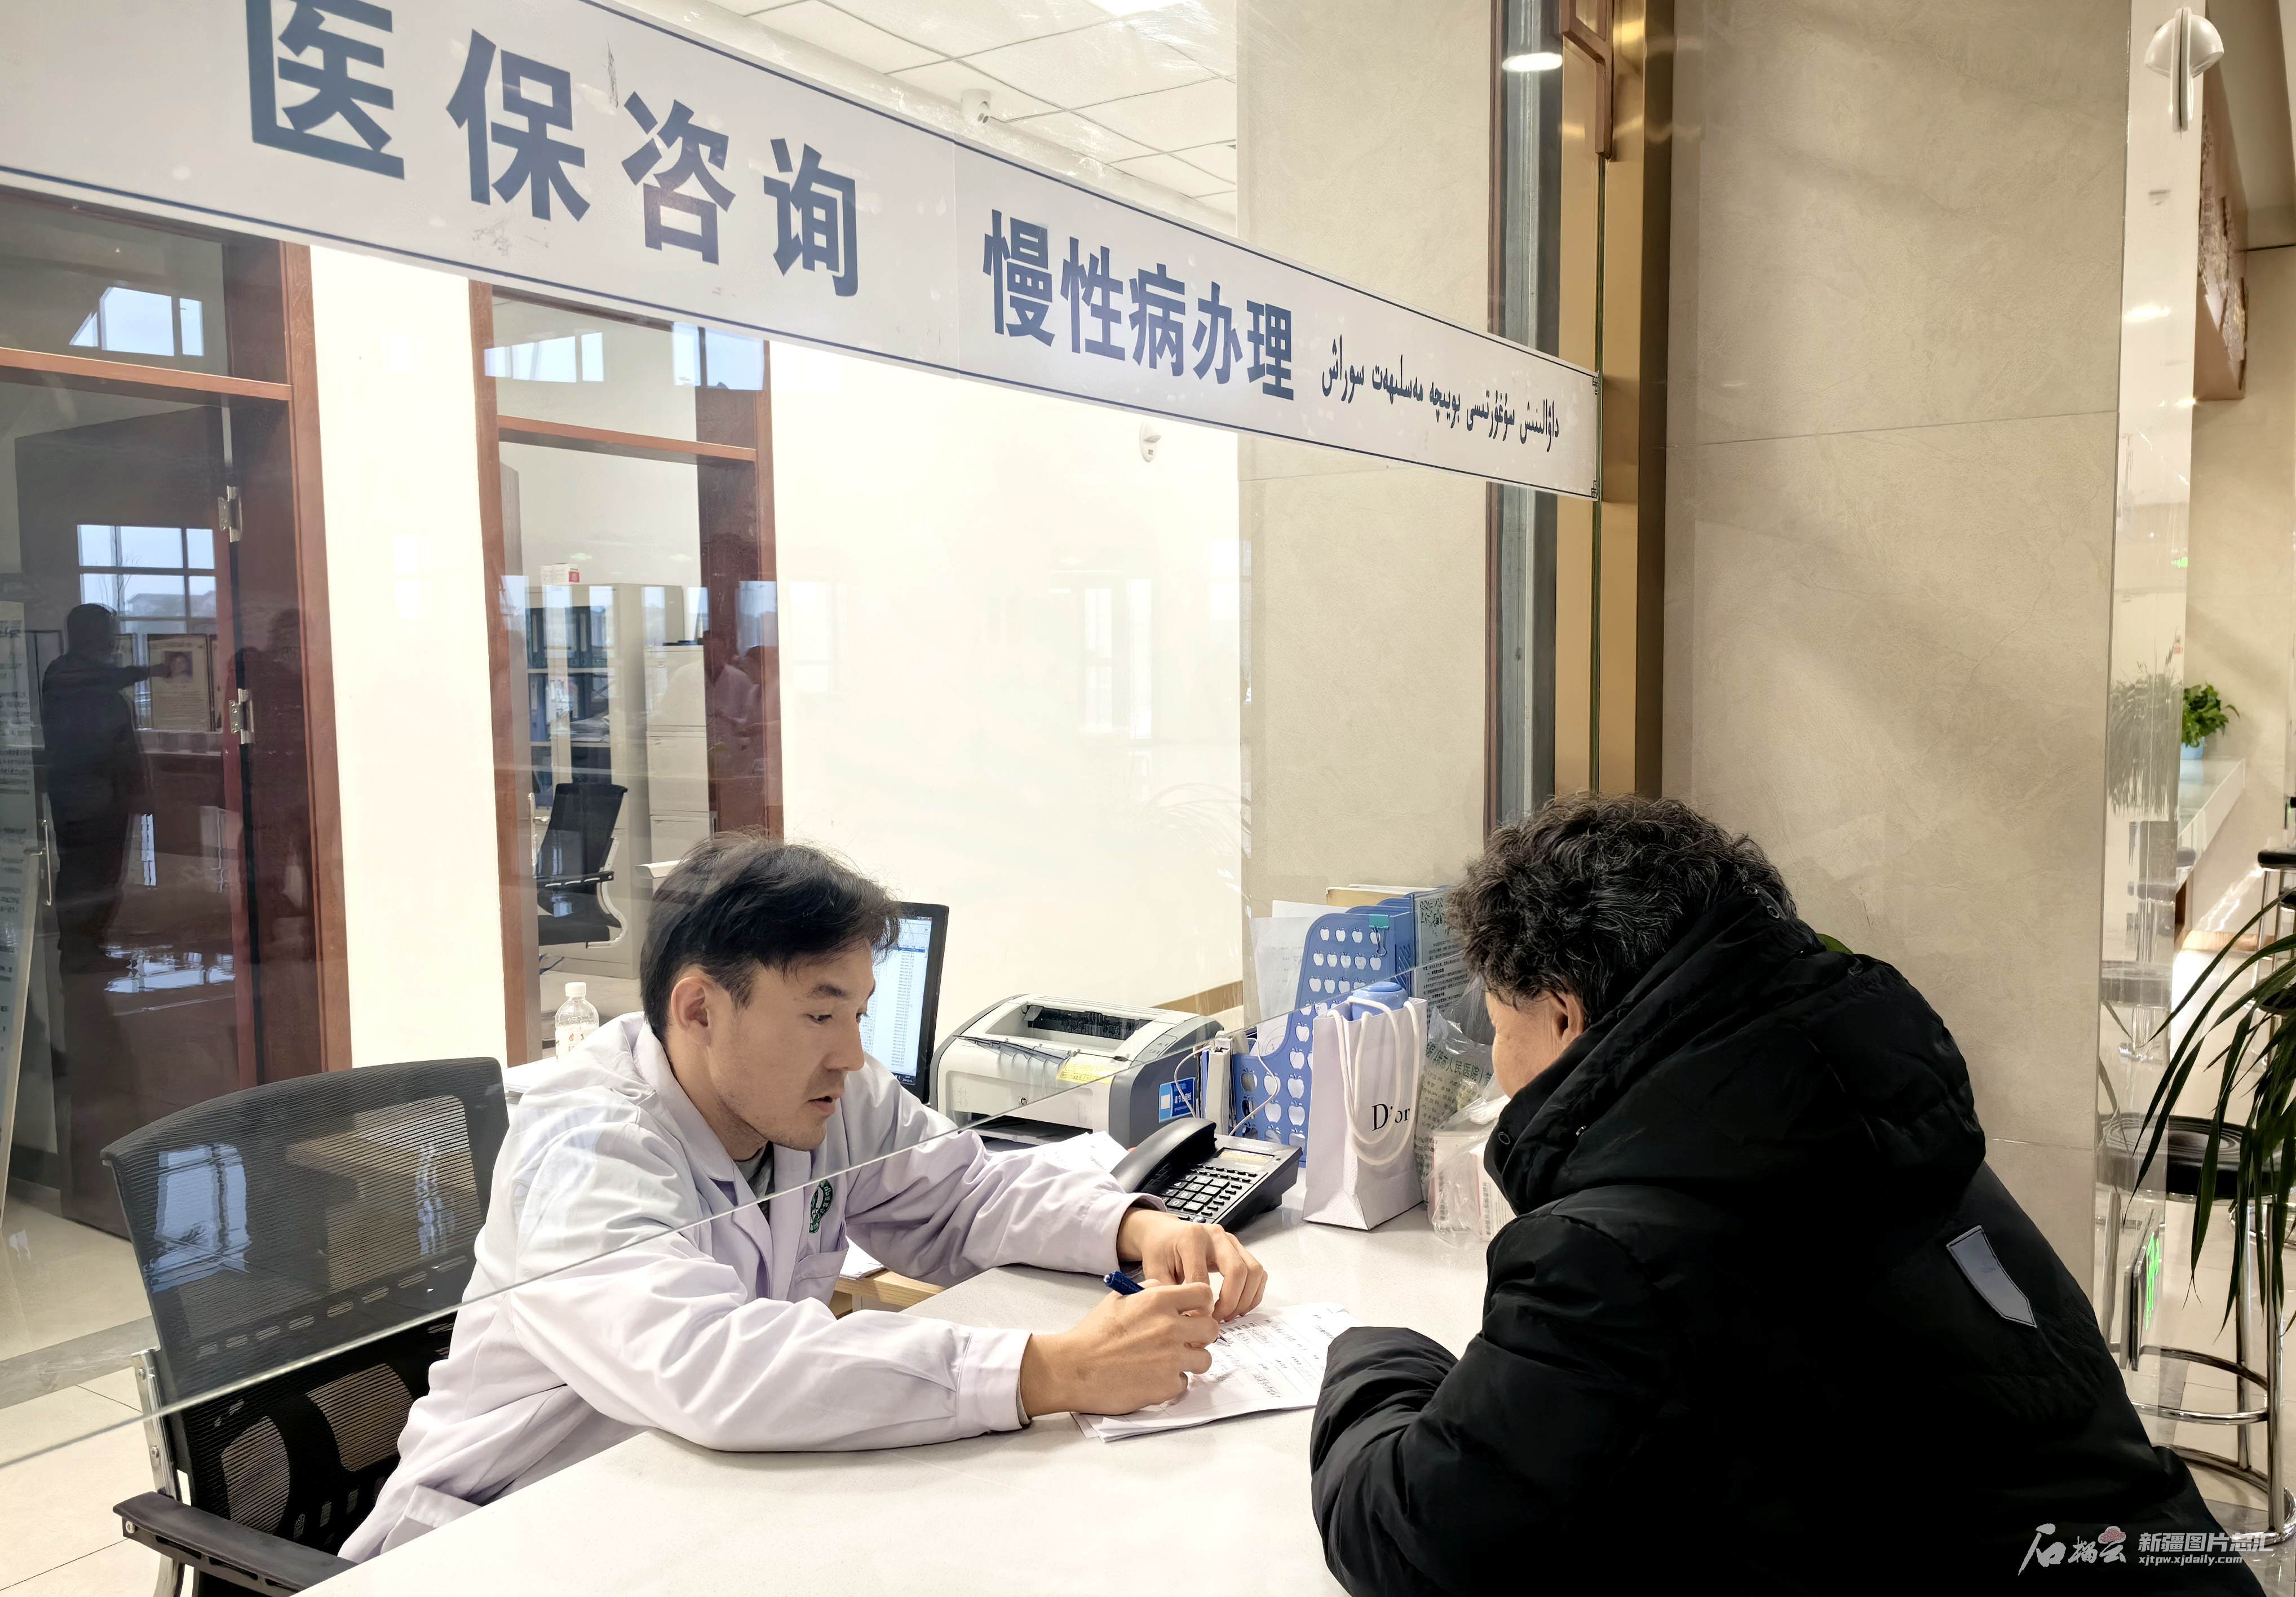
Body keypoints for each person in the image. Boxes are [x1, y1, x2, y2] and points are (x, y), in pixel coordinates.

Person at [1309, 793, 2260, 1595]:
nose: (1497, 1063)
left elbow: (1414, 1543)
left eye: (1498, 1026)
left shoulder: (1611, 1253)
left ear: (1565, 1012)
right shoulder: (1877, 1131)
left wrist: (1371, 1356)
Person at [348, 835, 1266, 1558]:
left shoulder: (827, 1093)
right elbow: (711, 1365)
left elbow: (965, 1194)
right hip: (496, 1540)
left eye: (858, 1014)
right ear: (699, 1010)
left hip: (690, 1510)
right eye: (821, 1014)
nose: (850, 1053)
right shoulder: (581, 1144)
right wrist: (1046, 1369)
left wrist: (1130, 1226)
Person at [41, 603, 167, 972]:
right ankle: (80, 948)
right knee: (86, 873)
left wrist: (137, 789)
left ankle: (87, 944)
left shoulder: (89, 680)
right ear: (88, 633)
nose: (113, 639)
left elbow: (122, 744)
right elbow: (102, 681)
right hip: (84, 795)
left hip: (106, 794)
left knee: (103, 872)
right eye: (107, 631)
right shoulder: (67, 673)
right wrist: (152, 670)